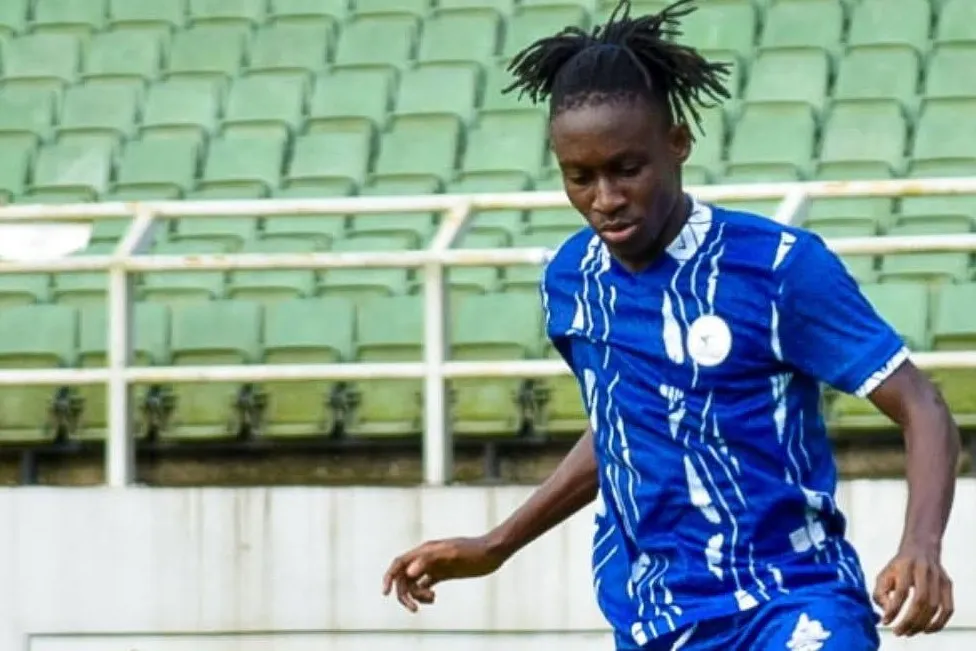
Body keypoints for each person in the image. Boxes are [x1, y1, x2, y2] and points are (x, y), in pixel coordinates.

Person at [381, 0, 960, 648]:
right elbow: (623, 424)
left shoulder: (778, 268)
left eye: (627, 169)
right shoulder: (570, 282)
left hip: (793, 598)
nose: (605, 198)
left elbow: (921, 404)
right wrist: (497, 544)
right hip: (657, 615)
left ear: (678, 143)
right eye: (580, 177)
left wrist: (921, 544)